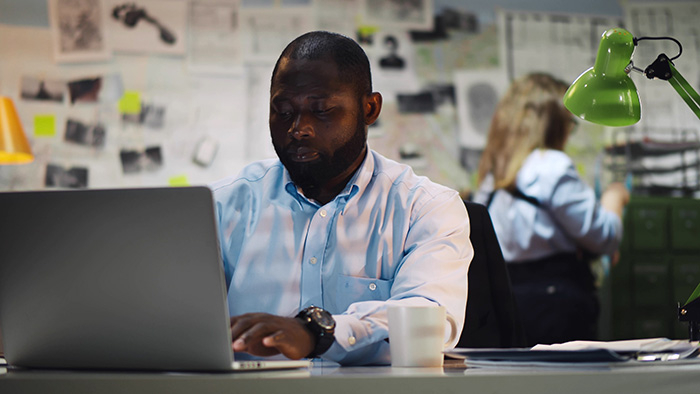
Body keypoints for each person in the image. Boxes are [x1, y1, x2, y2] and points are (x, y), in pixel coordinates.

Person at [210, 31, 473, 366]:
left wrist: (316, 333)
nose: (298, 128)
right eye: (283, 110)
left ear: (370, 108)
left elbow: (431, 320)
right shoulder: (221, 207)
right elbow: (181, 321)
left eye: (321, 110)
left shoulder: (425, 208)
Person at [472, 73, 630, 346]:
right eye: (570, 122)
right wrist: (614, 198)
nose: (570, 130)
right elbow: (603, 237)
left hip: (509, 302)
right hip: (557, 304)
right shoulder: (552, 165)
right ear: (555, 123)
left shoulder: (492, 177)